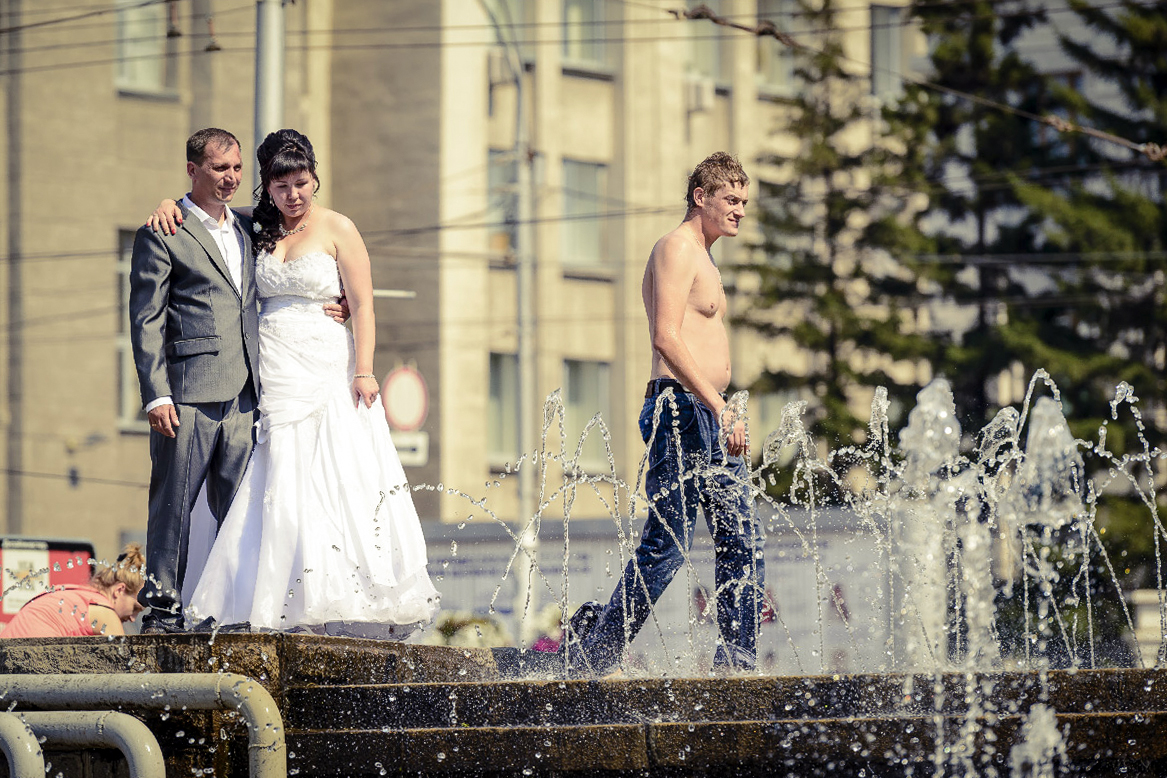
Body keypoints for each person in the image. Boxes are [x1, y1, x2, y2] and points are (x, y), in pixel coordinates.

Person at [151, 130, 439, 637]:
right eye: (281, 186)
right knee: (275, 476)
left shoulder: (338, 227)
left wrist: (365, 369)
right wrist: (168, 205)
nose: (292, 195)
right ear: (266, 186)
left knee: (331, 473)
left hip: (325, 364)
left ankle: (330, 593)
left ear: (314, 179)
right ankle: (270, 597)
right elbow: (204, 216)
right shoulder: (253, 226)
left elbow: (363, 304)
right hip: (271, 368)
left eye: (301, 183)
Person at [130, 128, 347, 633]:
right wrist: (156, 394)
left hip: (248, 393)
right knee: (174, 504)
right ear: (193, 170)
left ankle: (231, 609)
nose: (230, 178)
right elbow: (146, 319)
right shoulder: (164, 230)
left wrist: (341, 306)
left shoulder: (251, 228)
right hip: (188, 393)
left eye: (236, 168)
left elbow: (302, 256)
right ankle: (162, 607)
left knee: (240, 510)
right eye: (218, 168)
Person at [563, 152, 765, 676]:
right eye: (731, 199)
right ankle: (597, 651)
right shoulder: (676, 248)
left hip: (707, 409)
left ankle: (736, 662)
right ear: (701, 197)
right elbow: (666, 338)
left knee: (741, 538)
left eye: (744, 201)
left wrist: (721, 406)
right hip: (682, 409)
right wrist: (718, 405)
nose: (741, 210)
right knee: (669, 543)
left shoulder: (707, 258)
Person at [1, 544, 146, 638]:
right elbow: (125, 666)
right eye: (135, 608)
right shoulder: (104, 612)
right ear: (119, 590)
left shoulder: (74, 594)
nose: (133, 618)